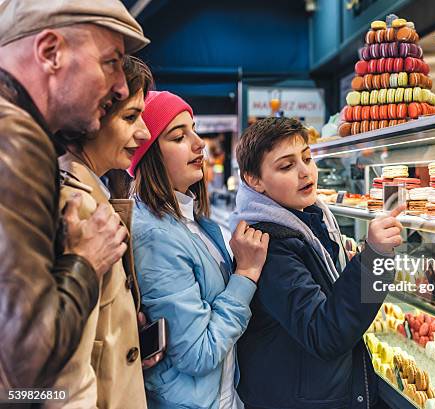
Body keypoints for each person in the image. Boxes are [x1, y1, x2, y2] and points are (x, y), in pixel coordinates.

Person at [0, 0, 149, 397]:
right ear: (50, 52)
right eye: (110, 62)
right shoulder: (15, 139)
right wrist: (86, 261)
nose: (120, 85)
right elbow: (27, 371)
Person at [229, 117, 404, 409]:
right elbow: (325, 334)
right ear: (254, 180)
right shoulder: (267, 244)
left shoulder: (313, 218)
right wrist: (374, 259)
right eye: (286, 166)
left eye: (307, 159)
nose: (305, 172)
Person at [129, 91, 269, 409]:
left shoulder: (190, 221)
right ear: (148, 154)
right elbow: (198, 354)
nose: (199, 143)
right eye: (179, 136)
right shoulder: (155, 236)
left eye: (193, 128)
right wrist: (246, 273)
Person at [50, 56, 154, 409]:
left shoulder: (99, 193)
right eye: (130, 117)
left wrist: (127, 334)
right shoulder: (74, 207)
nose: (144, 133)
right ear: (88, 119)